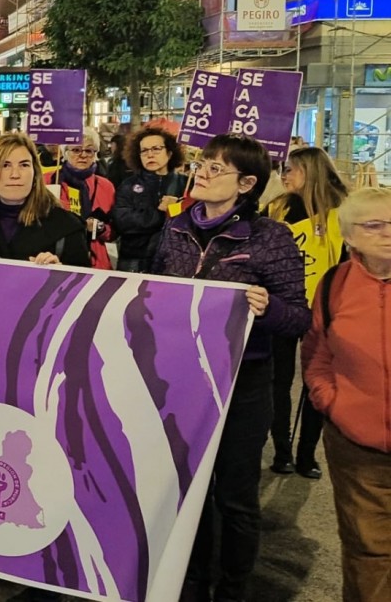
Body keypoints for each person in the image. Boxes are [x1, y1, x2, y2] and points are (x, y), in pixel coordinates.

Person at [150, 134, 310, 602]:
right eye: (203, 163)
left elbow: (298, 318)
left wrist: (268, 308)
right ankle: (192, 581)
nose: (202, 172)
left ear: (246, 184)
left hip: (243, 383)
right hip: (182, 380)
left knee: (235, 495)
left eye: (216, 168)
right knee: (188, 490)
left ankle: (234, 589)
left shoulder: (270, 237)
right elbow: (154, 290)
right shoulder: (176, 228)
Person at [301, 186, 391, 602]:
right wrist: (332, 402)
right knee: (367, 552)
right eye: (374, 225)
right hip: (358, 448)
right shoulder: (334, 284)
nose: (387, 233)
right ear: (349, 235)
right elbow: (317, 352)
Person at [264, 146, 348, 479]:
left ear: (310, 171)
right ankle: (282, 450)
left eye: (291, 169)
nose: (284, 175)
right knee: (278, 382)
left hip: (323, 310)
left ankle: (307, 454)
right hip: (282, 306)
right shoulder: (277, 207)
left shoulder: (341, 211)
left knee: (317, 381)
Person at [0, 133, 88, 267]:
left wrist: (62, 274)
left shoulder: (66, 228)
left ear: (35, 173)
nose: (15, 174)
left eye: (24, 165)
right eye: (5, 165)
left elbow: (83, 282)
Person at [112, 127, 186, 273]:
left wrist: (178, 209)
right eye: (144, 151)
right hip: (134, 261)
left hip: (173, 261)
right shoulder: (128, 185)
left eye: (156, 149)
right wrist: (161, 213)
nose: (150, 155)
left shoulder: (185, 184)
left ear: (170, 153)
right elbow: (122, 222)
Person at [45, 130, 116, 269]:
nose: (83, 155)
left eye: (89, 150)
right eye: (76, 150)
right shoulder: (47, 180)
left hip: (95, 261)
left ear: (95, 154)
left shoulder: (106, 186)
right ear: (65, 152)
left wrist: (99, 228)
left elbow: (114, 231)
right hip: (54, 258)